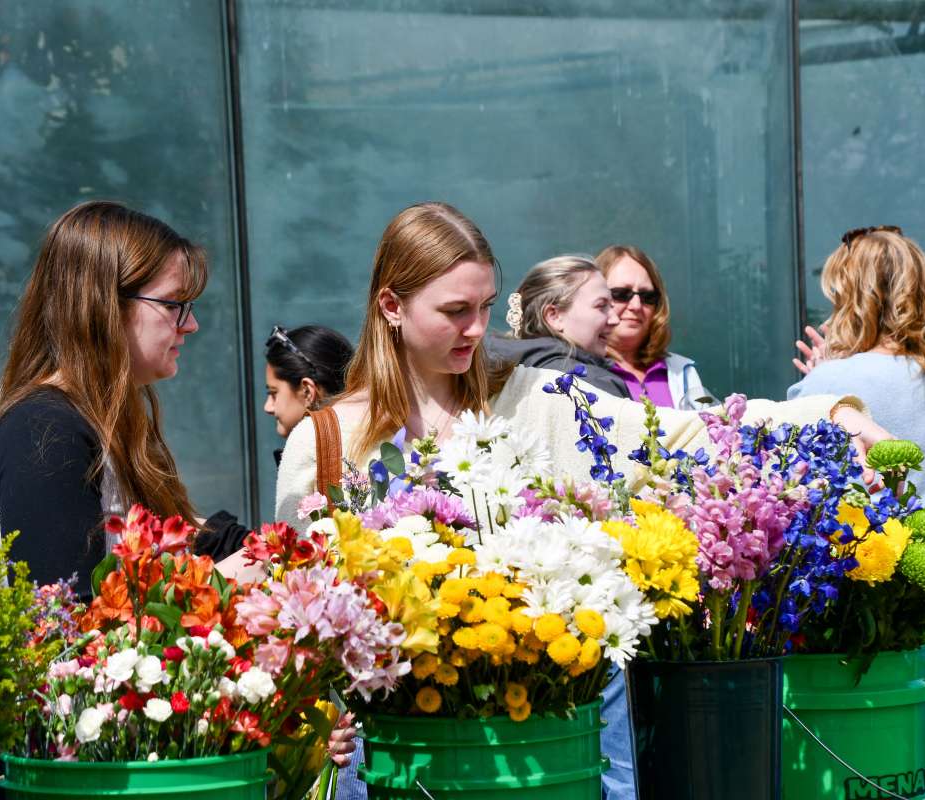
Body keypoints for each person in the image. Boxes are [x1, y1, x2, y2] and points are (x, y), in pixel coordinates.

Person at [275, 202, 893, 800]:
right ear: (391, 305)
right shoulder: (325, 442)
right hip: (390, 758)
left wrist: (829, 418)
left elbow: (677, 433)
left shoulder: (532, 401)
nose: (476, 330)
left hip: (538, 749)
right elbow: (298, 606)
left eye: (486, 308)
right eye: (455, 310)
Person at [787, 225, 925, 800]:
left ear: (851, 293)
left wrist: (822, 378)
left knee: (866, 765)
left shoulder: (833, 381)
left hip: (864, 605)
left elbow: (798, 460)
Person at [0, 201, 206, 594]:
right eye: (173, 305)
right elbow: (63, 623)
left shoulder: (102, 416)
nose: (190, 324)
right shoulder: (44, 429)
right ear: (104, 305)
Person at [197, 324, 354, 561]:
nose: (268, 407)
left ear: (307, 391)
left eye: (274, 393)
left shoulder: (304, 445)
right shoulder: (368, 435)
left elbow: (288, 557)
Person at [482, 254, 628, 398]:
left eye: (612, 306)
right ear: (554, 316)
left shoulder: (487, 371)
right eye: (601, 306)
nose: (615, 319)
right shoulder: (595, 385)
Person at [596, 244, 714, 410]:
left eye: (647, 296)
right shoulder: (583, 371)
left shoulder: (682, 371)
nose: (636, 305)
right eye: (621, 294)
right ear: (596, 298)